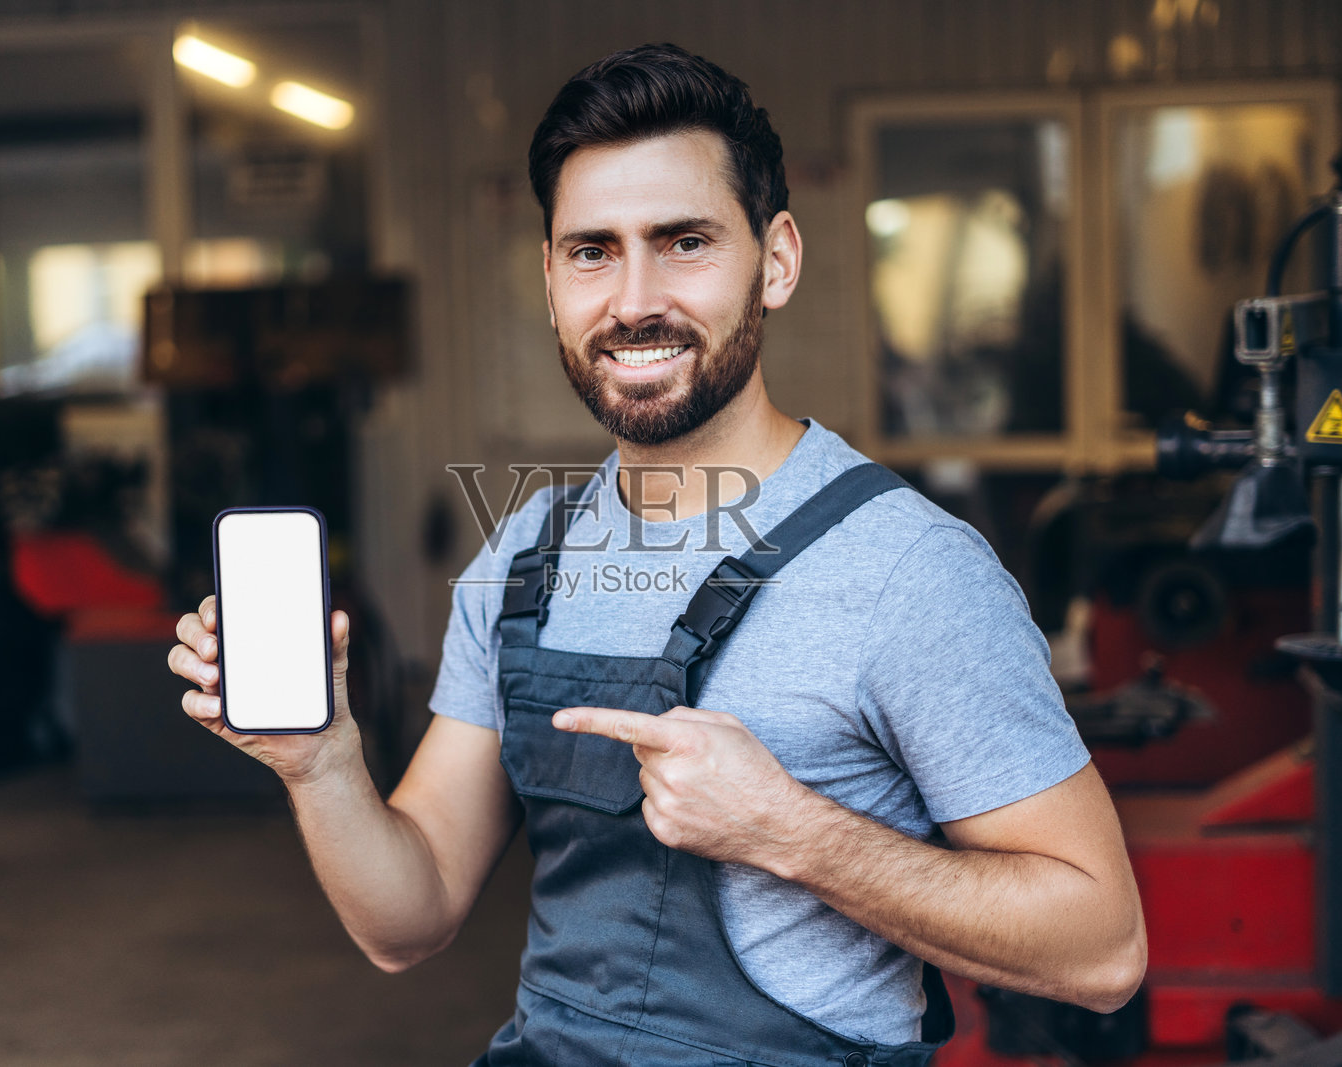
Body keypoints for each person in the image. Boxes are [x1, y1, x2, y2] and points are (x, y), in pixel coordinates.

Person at [169, 43, 1145, 1066]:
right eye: (593, 250)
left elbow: (1101, 945)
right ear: (549, 279)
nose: (634, 299)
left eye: (683, 242)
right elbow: (405, 922)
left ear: (775, 260)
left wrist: (788, 831)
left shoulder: (908, 569)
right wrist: (320, 762)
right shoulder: (524, 560)